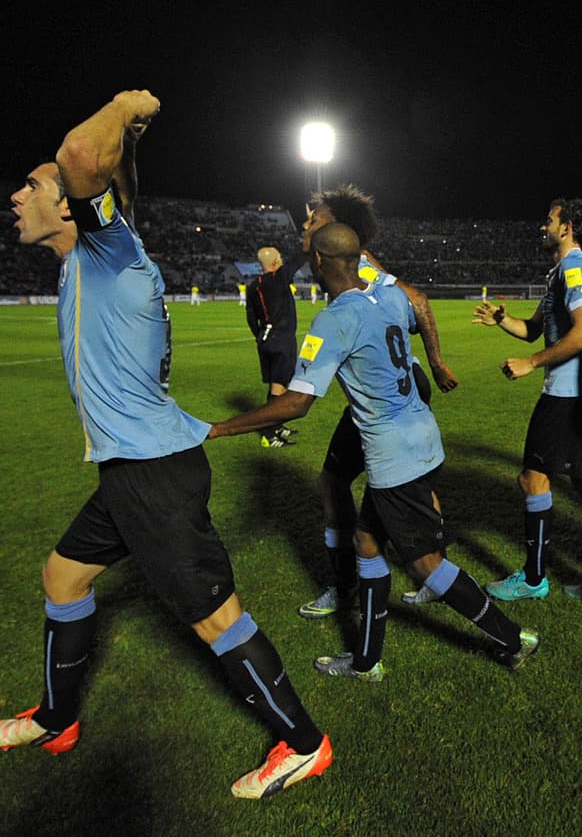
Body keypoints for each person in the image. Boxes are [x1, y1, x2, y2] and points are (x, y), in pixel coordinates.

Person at [0, 90, 331, 799]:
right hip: (131, 471)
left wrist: (122, 106)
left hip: (155, 478)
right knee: (63, 578)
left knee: (217, 619)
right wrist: (132, 143)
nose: (18, 195)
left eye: (32, 185)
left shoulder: (109, 252)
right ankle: (58, 719)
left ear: (70, 203)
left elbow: (83, 158)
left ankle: (303, 743)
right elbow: (110, 178)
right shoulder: (97, 254)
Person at [208, 222, 538, 677]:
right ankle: (366, 662)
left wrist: (222, 428)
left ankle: (511, 637)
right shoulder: (390, 297)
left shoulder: (333, 319)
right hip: (422, 433)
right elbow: (415, 308)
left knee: (426, 564)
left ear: (320, 262)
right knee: (365, 541)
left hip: (393, 455)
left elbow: (298, 403)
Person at [294, 184, 459, 620]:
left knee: (335, 482)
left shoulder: (358, 263)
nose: (306, 223)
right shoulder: (344, 264)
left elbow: (416, 298)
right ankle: (425, 573)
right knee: (401, 484)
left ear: (333, 227)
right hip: (394, 389)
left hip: (393, 392)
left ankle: (351, 583)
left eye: (314, 219)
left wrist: (439, 363)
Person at [473, 198, 582, 604]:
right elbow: (535, 328)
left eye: (549, 220)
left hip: (568, 394)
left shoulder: (574, 267)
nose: (543, 226)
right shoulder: (564, 270)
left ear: (567, 226)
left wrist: (531, 364)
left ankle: (535, 578)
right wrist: (502, 320)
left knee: (532, 478)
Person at [245, 246, 299, 448]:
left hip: (265, 338)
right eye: (280, 258)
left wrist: (261, 338)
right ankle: (269, 434)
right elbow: (299, 258)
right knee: (278, 387)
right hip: (281, 339)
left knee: (280, 384)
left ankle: (277, 424)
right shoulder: (280, 277)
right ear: (275, 262)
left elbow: (251, 319)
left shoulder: (253, 286)